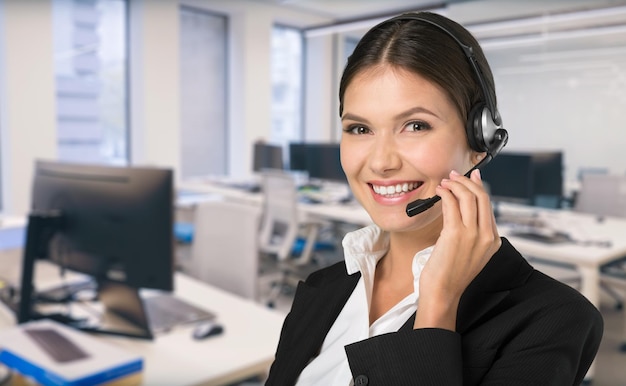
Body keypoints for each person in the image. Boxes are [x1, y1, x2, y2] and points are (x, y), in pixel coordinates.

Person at [265, 11, 603, 386]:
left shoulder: (552, 321)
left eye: (415, 125)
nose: (380, 161)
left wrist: (437, 305)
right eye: (359, 128)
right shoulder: (322, 286)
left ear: (480, 142)